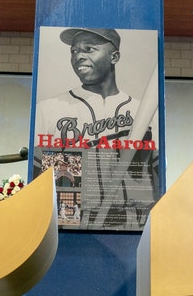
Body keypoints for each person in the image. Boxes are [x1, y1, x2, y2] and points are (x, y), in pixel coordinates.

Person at [35, 28, 157, 229]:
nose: (78, 56)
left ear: (114, 56)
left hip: (132, 225)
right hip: (69, 225)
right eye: (74, 51)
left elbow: (155, 176)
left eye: (89, 49)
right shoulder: (48, 109)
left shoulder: (142, 111)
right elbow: (37, 178)